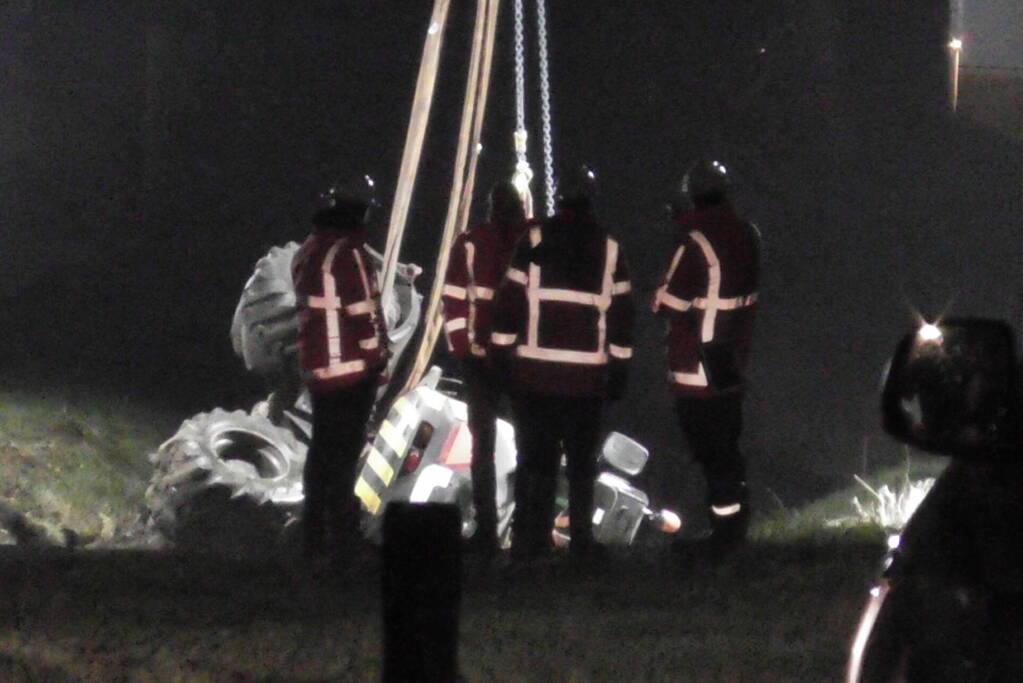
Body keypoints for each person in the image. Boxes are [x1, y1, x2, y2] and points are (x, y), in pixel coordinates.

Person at [491, 166, 634, 563]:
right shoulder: (609, 249)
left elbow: (509, 304)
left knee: (534, 461)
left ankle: (527, 541)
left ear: (557, 196)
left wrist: (501, 358)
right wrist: (618, 371)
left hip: (533, 378)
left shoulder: (534, 239)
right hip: (586, 382)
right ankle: (582, 544)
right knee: (582, 467)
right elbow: (622, 318)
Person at [652, 159, 760, 558]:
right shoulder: (748, 233)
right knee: (728, 444)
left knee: (709, 448)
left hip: (698, 362)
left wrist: (681, 231)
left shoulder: (693, 242)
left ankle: (724, 534)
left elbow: (667, 303)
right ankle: (736, 525)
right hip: (729, 356)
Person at [292, 173, 388, 563]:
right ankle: (343, 541)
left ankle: (312, 536)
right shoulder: (347, 254)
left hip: (318, 370)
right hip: (350, 372)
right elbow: (363, 315)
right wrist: (377, 357)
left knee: (321, 453)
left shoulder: (308, 250)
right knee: (345, 457)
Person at [441, 180, 531, 557]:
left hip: (482, 360)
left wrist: (463, 351)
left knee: (484, 449)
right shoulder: (534, 240)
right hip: (522, 359)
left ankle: (488, 532)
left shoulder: (472, 241)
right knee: (530, 446)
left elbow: (454, 300)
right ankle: (526, 531)